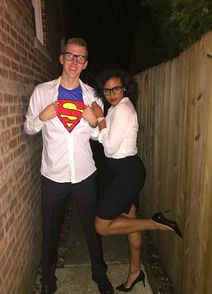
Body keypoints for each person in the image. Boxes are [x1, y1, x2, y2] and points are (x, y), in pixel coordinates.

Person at [24, 38, 114, 294]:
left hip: (85, 175)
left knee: (92, 228)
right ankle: (48, 282)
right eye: (70, 56)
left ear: (85, 64)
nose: (75, 61)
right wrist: (42, 117)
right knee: (50, 232)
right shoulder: (42, 92)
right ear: (61, 58)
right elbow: (28, 127)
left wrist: (94, 122)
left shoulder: (93, 96)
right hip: (53, 176)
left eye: (80, 58)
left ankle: (100, 274)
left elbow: (99, 137)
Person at [83, 69, 182, 292]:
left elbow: (108, 147)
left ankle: (157, 223)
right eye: (107, 90)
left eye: (116, 89)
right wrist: (95, 122)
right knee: (130, 221)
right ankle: (135, 273)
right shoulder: (115, 109)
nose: (111, 94)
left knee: (101, 225)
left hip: (127, 173)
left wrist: (99, 118)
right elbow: (99, 136)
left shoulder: (124, 109)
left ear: (125, 88)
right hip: (123, 171)